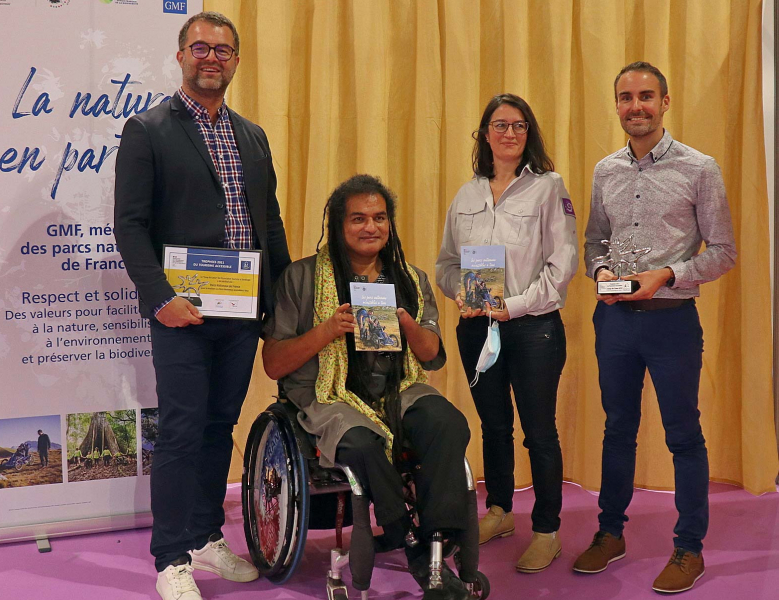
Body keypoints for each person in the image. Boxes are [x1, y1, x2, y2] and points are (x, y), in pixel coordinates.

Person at [114, 11, 291, 600]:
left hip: (242, 315)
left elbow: (269, 223)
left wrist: (282, 303)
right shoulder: (148, 129)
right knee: (183, 431)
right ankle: (170, 558)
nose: (211, 57)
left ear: (236, 60)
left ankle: (206, 535)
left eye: (223, 50)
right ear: (182, 56)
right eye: (200, 48)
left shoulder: (254, 134)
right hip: (182, 315)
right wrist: (159, 298)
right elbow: (130, 226)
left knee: (220, 428)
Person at [262, 174, 473, 598]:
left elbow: (431, 355)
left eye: (379, 218)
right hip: (328, 391)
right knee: (360, 442)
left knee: (448, 421)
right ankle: (408, 539)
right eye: (358, 218)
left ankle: (436, 544)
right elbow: (272, 364)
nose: (370, 227)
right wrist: (327, 331)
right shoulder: (301, 278)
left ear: (390, 224)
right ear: (339, 225)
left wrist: (407, 322)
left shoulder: (409, 279)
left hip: (400, 386)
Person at [574, 62, 736, 594]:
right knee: (617, 429)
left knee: (683, 435)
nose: (635, 106)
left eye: (646, 96)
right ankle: (609, 533)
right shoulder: (605, 170)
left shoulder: (700, 168)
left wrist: (668, 273)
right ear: (616, 104)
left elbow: (725, 252)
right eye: (625, 97)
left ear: (665, 102)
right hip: (615, 322)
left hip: (672, 324)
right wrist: (600, 272)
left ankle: (689, 548)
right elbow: (594, 241)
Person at [436, 94, 578, 573]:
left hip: (533, 329)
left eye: (519, 126)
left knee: (539, 432)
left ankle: (547, 530)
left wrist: (511, 308)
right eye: (500, 125)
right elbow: (446, 265)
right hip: (476, 329)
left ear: (529, 132)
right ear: (485, 134)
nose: (510, 134)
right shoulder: (466, 194)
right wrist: (462, 293)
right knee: (494, 426)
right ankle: (499, 511)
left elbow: (562, 267)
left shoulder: (548, 187)